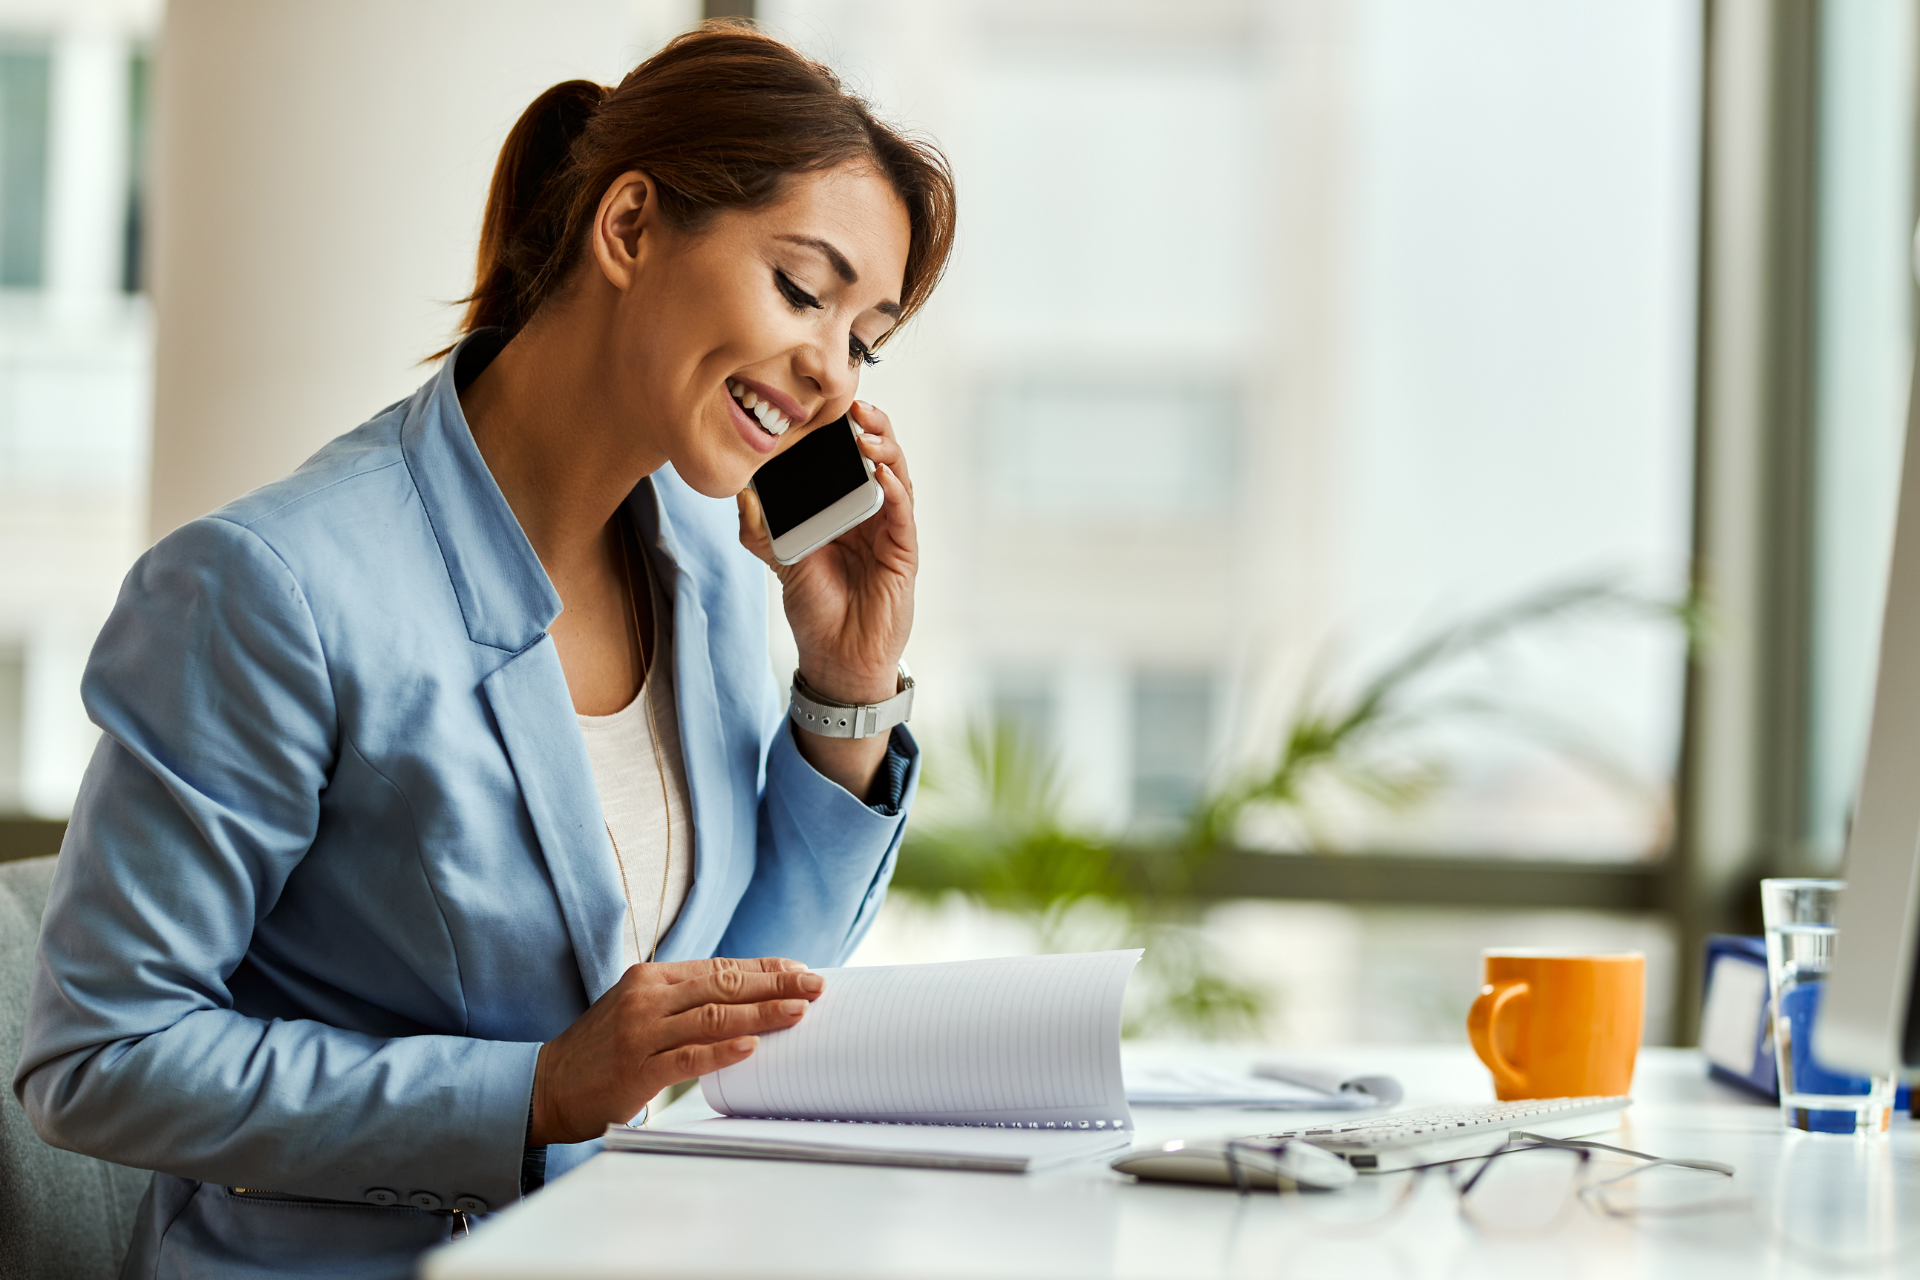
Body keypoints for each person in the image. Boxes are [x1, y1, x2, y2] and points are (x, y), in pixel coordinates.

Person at [13, 23, 955, 1280]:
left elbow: (740, 1001)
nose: (831, 375)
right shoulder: (271, 588)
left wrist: (845, 682)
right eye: (802, 289)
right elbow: (99, 1060)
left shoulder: (717, 575)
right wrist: (536, 1092)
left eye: (865, 337)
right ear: (627, 228)